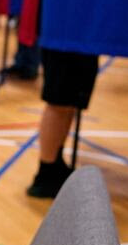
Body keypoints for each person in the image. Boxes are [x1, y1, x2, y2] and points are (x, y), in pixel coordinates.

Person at [27, 49, 98, 198]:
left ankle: (55, 163)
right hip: (63, 41)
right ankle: (45, 174)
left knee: (70, 100)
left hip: (79, 41)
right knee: (59, 101)